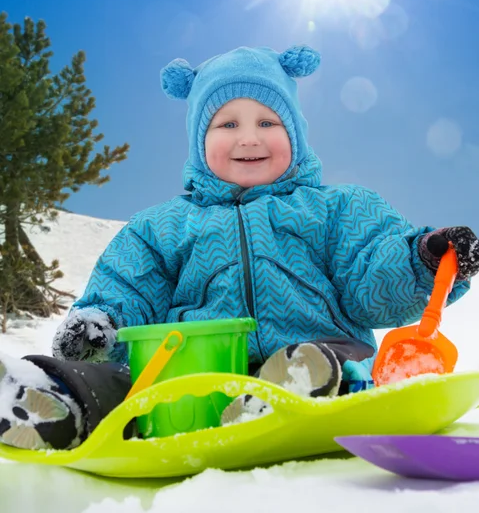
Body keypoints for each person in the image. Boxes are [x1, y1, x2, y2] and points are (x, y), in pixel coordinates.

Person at [1, 45, 478, 451]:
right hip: (192, 375)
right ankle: (53, 402)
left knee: (323, 360)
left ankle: (291, 391)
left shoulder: (336, 209)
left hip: (321, 351)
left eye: (268, 121)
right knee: (131, 387)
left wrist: (424, 258)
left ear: (295, 134)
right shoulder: (162, 226)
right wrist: (100, 325)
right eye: (226, 124)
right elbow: (129, 285)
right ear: (197, 142)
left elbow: (370, 279)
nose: (248, 138)